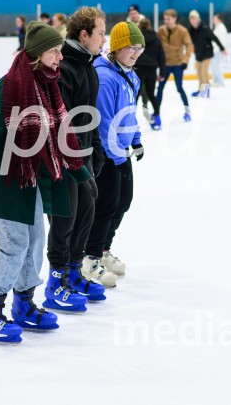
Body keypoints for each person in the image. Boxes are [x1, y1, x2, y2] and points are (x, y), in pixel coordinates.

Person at [0, 21, 94, 343]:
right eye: (54, 51)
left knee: (36, 241)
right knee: (15, 246)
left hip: (28, 182)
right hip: (1, 181)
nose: (59, 57)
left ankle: (24, 303)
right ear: (38, 53)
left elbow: (59, 134)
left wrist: (82, 173)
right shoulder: (9, 85)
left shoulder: (49, 86)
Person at [45, 6, 109, 308]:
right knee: (65, 217)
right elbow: (61, 123)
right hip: (62, 159)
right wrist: (77, 162)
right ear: (83, 34)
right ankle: (55, 283)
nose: (103, 39)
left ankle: (72, 272)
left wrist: (95, 149)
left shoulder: (88, 66)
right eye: (100, 33)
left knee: (86, 211)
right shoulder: (66, 68)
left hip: (82, 157)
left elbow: (90, 115)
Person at [82, 21, 145, 287]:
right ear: (117, 47)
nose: (136, 53)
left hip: (123, 151)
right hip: (108, 155)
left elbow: (129, 113)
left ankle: (104, 249)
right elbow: (104, 121)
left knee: (123, 203)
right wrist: (115, 155)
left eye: (140, 48)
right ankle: (90, 257)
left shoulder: (131, 75)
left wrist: (137, 139)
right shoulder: (106, 77)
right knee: (106, 206)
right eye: (131, 47)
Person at [156, 8, 194, 122]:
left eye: (168, 19)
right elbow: (155, 44)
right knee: (160, 88)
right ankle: (156, 112)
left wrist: (185, 61)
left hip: (178, 64)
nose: (166, 21)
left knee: (179, 88)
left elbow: (189, 46)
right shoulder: (161, 30)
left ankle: (187, 111)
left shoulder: (182, 31)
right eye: (165, 19)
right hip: (165, 64)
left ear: (174, 19)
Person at [134, 17, 166, 130]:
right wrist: (162, 72)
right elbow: (161, 56)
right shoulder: (156, 39)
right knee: (151, 94)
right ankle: (157, 117)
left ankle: (130, 118)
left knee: (136, 94)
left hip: (138, 68)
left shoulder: (137, 38)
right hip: (152, 69)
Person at [188, 9, 226, 98]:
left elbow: (214, 38)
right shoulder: (190, 30)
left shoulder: (204, 28)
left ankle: (206, 91)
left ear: (198, 19)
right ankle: (201, 90)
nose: (193, 21)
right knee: (199, 73)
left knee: (204, 72)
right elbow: (187, 40)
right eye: (191, 19)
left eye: (194, 19)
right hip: (198, 53)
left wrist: (222, 48)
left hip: (207, 53)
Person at [210, 14, 228, 88]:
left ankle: (220, 81)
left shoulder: (221, 28)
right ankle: (216, 81)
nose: (213, 20)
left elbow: (221, 40)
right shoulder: (217, 27)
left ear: (219, 19)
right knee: (214, 65)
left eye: (215, 18)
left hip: (217, 50)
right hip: (215, 49)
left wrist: (222, 49)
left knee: (215, 65)